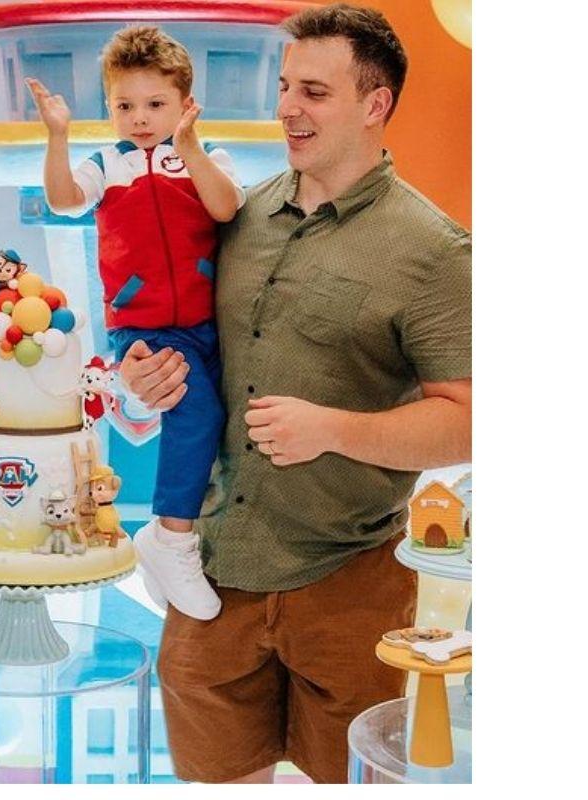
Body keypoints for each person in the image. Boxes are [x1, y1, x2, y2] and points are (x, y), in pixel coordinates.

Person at [119, 5, 471, 784]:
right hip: (212, 583)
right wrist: (141, 385)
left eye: (313, 91)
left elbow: (470, 424)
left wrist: (334, 429)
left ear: (375, 104)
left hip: (350, 585)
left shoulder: (434, 251)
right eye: (284, 87)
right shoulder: (233, 214)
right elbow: (184, 354)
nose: (286, 108)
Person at [27, 25, 245, 620]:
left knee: (217, 423)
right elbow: (64, 199)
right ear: (109, 108)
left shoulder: (207, 157)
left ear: (185, 104)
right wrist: (57, 136)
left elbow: (226, 206)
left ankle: (175, 545)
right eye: (125, 106)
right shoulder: (107, 164)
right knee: (196, 414)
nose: (140, 118)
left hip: (208, 322)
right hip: (145, 326)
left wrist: (191, 148)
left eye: (155, 104)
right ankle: (170, 536)